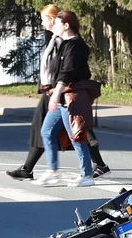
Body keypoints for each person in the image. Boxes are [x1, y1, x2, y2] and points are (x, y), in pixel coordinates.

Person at [33, 10, 95, 187]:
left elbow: (67, 73)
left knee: (76, 136)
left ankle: (87, 175)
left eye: (58, 24)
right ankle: (53, 171)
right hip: (61, 99)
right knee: (47, 132)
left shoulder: (76, 46)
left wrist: (57, 93)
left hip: (71, 98)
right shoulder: (64, 44)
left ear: (66, 26)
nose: (54, 27)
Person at [6, 4, 62, 180]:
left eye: (44, 18)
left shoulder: (61, 39)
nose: (41, 21)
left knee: (77, 131)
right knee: (45, 129)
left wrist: (56, 87)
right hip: (50, 90)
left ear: (52, 19)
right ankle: (28, 169)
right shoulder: (52, 37)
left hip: (56, 91)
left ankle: (96, 165)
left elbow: (62, 66)